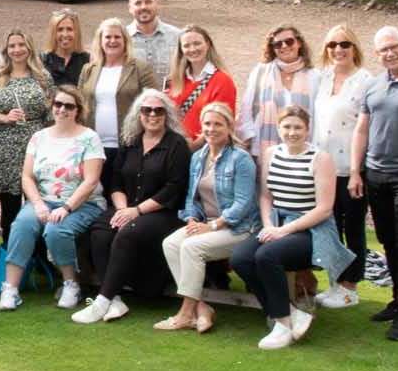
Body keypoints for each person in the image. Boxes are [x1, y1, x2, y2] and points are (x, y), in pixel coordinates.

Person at [230, 106, 351, 349]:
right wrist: (268, 225)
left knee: (266, 255)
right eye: (287, 126)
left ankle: (282, 325)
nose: (292, 132)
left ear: (307, 129)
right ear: (278, 128)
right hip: (276, 223)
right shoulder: (271, 153)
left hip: (311, 229)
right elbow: (265, 196)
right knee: (240, 258)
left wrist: (284, 231)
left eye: (298, 127)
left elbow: (324, 209)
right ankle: (291, 313)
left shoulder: (321, 159)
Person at [71, 90, 190, 324]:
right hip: (127, 207)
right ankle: (114, 299)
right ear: (139, 114)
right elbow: (115, 181)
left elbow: (173, 188)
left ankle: (101, 301)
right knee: (101, 228)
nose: (152, 115)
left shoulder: (177, 145)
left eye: (158, 110)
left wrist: (135, 211)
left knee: (128, 233)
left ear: (167, 114)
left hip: (163, 213)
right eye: (147, 110)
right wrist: (123, 209)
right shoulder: (130, 142)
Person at [0, 85, 106, 312]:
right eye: (58, 104)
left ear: (78, 110)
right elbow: (26, 177)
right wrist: (37, 204)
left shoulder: (89, 137)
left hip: (83, 204)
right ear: (52, 106)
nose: (62, 110)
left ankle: (71, 284)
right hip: (44, 200)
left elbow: (91, 181)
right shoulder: (39, 137)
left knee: (56, 230)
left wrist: (65, 208)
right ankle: (11, 288)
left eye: (69, 106)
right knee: (22, 225)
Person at [156, 102, 258, 333]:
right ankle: (201, 308)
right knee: (171, 243)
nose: (211, 129)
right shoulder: (198, 158)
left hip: (238, 228)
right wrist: (192, 219)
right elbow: (192, 198)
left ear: (229, 127)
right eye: (207, 124)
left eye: (218, 124)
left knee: (191, 248)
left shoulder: (241, 159)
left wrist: (212, 226)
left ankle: (184, 313)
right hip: (206, 224)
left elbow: (244, 204)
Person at [349, 25, 398, 339]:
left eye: (394, 47)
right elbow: (361, 130)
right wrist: (356, 171)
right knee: (387, 240)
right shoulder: (374, 86)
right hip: (376, 173)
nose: (389, 54)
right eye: (383, 50)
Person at [311, 25, 374, 309]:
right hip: (323, 168)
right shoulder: (323, 78)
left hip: (350, 170)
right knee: (329, 227)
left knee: (353, 227)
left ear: (354, 47)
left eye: (345, 44)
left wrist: (356, 171)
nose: (338, 49)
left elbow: (365, 128)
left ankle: (350, 287)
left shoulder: (364, 81)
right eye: (332, 44)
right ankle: (335, 282)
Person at [0, 28, 55, 240]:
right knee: (10, 205)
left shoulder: (42, 77)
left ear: (29, 48)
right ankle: (10, 252)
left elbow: (51, 113)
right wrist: (5, 118)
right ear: (6, 49)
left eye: (21, 45)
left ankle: (38, 255)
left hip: (35, 145)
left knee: (37, 202)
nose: (17, 49)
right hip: (5, 147)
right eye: (12, 45)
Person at [77, 19, 156, 193]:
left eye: (117, 37)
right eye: (108, 37)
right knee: (95, 193)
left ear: (125, 40)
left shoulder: (140, 69)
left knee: (123, 192)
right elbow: (79, 106)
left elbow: (155, 105)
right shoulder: (88, 69)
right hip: (94, 147)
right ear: (100, 40)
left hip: (129, 145)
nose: (112, 41)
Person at [240, 24, 319, 162]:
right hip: (263, 146)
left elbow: (318, 114)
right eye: (277, 44)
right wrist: (249, 136)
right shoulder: (260, 71)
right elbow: (246, 107)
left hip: (303, 146)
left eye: (289, 41)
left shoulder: (314, 76)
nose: (284, 46)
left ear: (299, 43)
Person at [166, 25, 238, 143]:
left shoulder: (223, 81)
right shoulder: (174, 80)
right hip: (175, 148)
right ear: (181, 50)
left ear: (208, 44)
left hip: (204, 150)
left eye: (197, 43)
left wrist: (192, 148)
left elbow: (221, 123)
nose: (193, 49)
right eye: (187, 45)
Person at [126, 0, 182, 82]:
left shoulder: (178, 36)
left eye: (148, 2)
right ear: (130, 8)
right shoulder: (121, 39)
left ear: (157, 4)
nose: (143, 7)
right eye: (138, 3)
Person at [41, 8, 89, 88]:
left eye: (69, 29)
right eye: (60, 30)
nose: (65, 34)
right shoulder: (43, 60)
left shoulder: (87, 60)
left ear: (76, 32)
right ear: (53, 33)